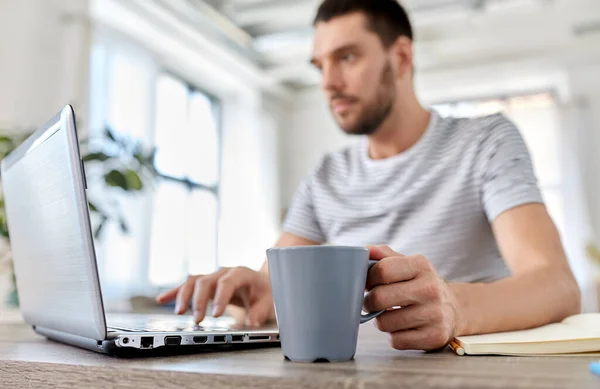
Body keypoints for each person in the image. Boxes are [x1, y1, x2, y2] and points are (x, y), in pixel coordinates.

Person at [157, 0, 581, 351]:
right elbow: (273, 289)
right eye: (319, 65)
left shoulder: (485, 141)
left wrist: (456, 306)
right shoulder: (326, 176)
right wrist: (252, 290)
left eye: (346, 57)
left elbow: (556, 285)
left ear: (400, 57)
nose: (328, 82)